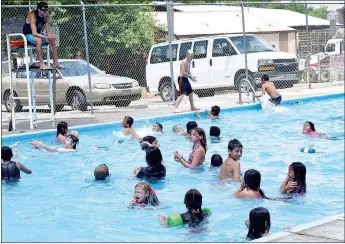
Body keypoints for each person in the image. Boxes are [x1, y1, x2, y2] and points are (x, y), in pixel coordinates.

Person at [22, 2, 63, 70]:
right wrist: (46, 37)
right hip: (28, 35)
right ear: (38, 10)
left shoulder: (46, 16)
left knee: (52, 40)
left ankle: (55, 62)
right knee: (39, 40)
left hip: (38, 34)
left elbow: (48, 32)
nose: (45, 12)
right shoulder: (32, 15)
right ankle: (42, 64)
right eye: (43, 10)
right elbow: (34, 33)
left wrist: (51, 36)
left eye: (46, 10)